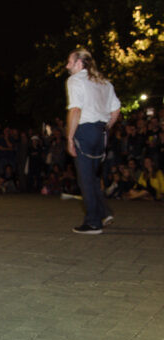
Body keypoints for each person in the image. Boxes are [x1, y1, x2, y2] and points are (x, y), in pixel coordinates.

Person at [65, 48, 120, 234]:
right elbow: (116, 111)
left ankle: (93, 222)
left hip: (85, 130)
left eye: (69, 62)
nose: (67, 66)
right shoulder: (104, 82)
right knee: (93, 177)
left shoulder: (75, 80)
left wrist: (70, 137)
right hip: (101, 132)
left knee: (85, 180)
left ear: (79, 63)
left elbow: (75, 111)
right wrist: (105, 129)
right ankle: (104, 212)